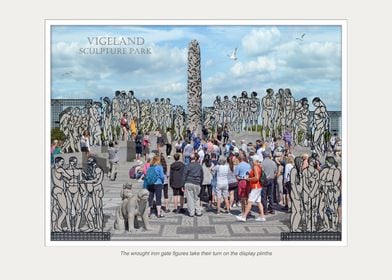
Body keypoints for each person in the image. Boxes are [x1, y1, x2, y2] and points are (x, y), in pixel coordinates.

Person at [261, 149, 278, 214]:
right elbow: (275, 172)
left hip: (264, 180)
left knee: (264, 195)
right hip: (271, 179)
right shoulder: (273, 162)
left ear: (264, 155)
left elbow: (261, 172)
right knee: (270, 195)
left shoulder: (262, 163)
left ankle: (265, 210)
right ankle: (272, 209)